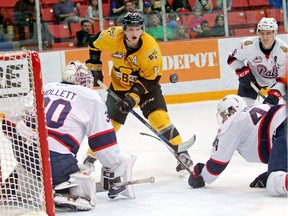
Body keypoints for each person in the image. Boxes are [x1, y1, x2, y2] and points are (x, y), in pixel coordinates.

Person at [1, 61, 137, 211]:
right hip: (54, 158)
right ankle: (61, 191)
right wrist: (113, 168)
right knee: (86, 193)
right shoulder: (91, 98)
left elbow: (7, 123)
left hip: (21, 151)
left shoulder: (45, 87)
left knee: (47, 158)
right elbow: (104, 145)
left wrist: (27, 139)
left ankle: (20, 182)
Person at [85, 12, 193, 174]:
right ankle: (89, 159)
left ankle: (182, 154)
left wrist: (133, 97)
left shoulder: (150, 49)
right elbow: (93, 43)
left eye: (137, 29)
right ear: (124, 29)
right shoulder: (112, 36)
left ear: (142, 30)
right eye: (130, 29)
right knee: (110, 125)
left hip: (146, 88)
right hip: (120, 87)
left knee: (159, 119)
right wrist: (95, 66)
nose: (134, 33)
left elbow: (151, 79)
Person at [188, 94, 288, 197]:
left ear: (231, 111)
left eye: (223, 115)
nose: (223, 121)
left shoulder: (232, 124)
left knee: (274, 182)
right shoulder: (255, 110)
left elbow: (216, 166)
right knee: (275, 175)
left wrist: (200, 175)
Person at [227, 17, 288, 106]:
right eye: (262, 33)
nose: (265, 37)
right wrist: (242, 71)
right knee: (241, 108)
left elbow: (283, 79)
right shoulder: (247, 45)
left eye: (268, 33)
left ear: (275, 33)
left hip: (277, 82)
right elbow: (232, 58)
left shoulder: (284, 51)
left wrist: (274, 95)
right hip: (253, 80)